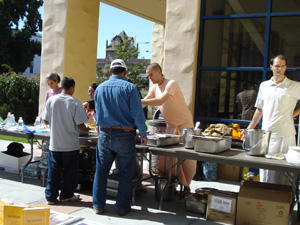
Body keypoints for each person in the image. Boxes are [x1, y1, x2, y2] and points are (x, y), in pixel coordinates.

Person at [92, 59, 147, 216]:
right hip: (124, 134)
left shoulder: (100, 88)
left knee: (101, 172)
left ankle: (98, 205)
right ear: (125, 73)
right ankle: (122, 207)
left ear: (110, 72)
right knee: (125, 172)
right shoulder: (130, 88)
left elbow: (97, 111)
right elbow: (138, 114)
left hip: (104, 134)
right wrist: (143, 134)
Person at [241, 54, 300, 185]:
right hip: (267, 136)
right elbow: (259, 110)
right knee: (267, 175)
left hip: (287, 136)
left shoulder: (294, 86)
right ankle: (267, 202)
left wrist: (294, 112)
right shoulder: (264, 86)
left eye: (283, 66)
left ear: (286, 67)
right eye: (277, 66)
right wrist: (249, 128)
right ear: (271, 67)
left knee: (286, 175)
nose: (280, 69)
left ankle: (284, 204)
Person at [141, 62, 196, 197]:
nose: (150, 78)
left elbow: (160, 101)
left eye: (151, 75)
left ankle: (187, 187)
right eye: (148, 76)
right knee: (169, 159)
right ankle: (170, 185)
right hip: (171, 125)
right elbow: (146, 100)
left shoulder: (171, 84)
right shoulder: (154, 87)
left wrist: (141, 102)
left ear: (159, 71)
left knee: (185, 159)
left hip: (184, 124)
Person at [42, 77, 89, 205]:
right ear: (72, 87)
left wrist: (56, 121)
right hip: (70, 145)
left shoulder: (51, 100)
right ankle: (66, 195)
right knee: (69, 173)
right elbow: (80, 124)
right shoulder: (75, 102)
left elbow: (45, 120)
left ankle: (51, 197)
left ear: (61, 86)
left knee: (54, 171)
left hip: (55, 144)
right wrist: (87, 129)